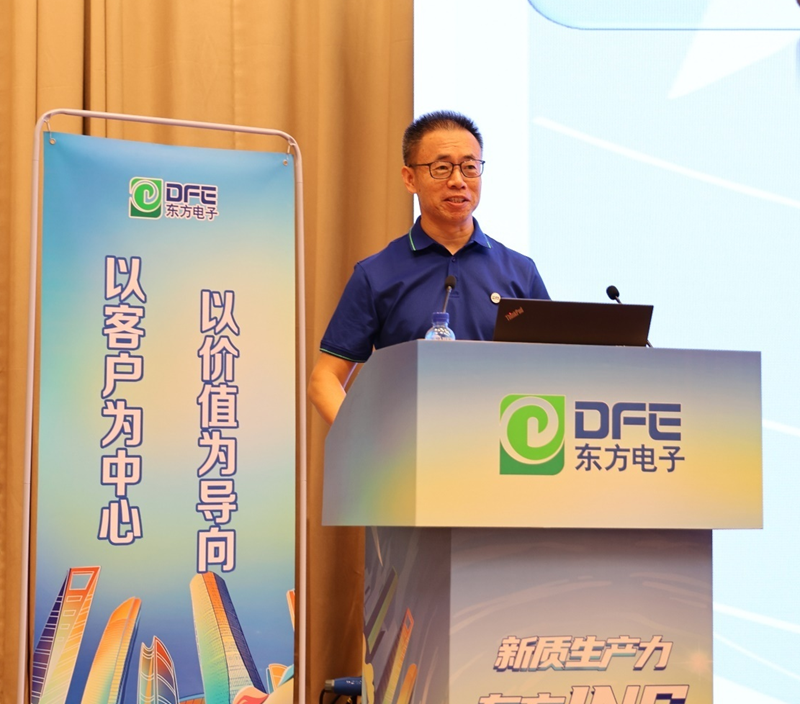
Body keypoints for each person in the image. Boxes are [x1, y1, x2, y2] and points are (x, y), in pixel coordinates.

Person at [309, 110, 549, 424]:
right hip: (411, 447)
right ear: (410, 178)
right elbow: (324, 379)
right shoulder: (376, 274)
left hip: (503, 446)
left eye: (469, 167)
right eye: (442, 168)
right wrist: (367, 440)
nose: (458, 181)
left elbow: (555, 368)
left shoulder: (520, 272)